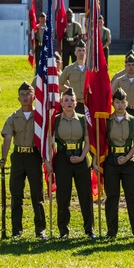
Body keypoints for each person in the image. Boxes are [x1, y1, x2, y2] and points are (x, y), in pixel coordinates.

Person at [0, 82, 47, 239]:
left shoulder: (39, 117)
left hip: (34, 156)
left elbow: (46, 137)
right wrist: (3, 157)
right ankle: (16, 231)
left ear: (34, 97)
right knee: (16, 195)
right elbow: (7, 138)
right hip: (18, 157)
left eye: (28, 94)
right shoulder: (13, 117)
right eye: (22, 95)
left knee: (37, 195)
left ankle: (40, 230)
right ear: (18, 98)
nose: (26, 97)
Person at [47, 86, 95, 238]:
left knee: (85, 195)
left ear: (76, 103)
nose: (69, 103)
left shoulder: (82, 119)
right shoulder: (55, 120)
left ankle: (89, 229)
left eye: (72, 100)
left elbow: (87, 142)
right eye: (66, 100)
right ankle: (63, 230)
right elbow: (50, 143)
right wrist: (48, 162)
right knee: (63, 195)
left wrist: (81, 157)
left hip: (81, 157)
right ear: (61, 103)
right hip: (63, 158)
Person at [98, 87, 134, 238]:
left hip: (129, 160)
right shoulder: (107, 121)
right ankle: (111, 231)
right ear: (112, 103)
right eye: (117, 102)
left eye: (123, 102)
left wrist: (127, 157)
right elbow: (101, 141)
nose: (120, 105)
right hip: (112, 161)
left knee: (133, 197)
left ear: (127, 103)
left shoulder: (133, 121)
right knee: (112, 197)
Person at [60, 40, 89, 117]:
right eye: (79, 50)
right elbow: (59, 84)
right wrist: (69, 90)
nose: (81, 53)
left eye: (83, 50)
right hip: (74, 104)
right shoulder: (69, 69)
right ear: (75, 52)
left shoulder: (90, 69)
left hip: (88, 103)